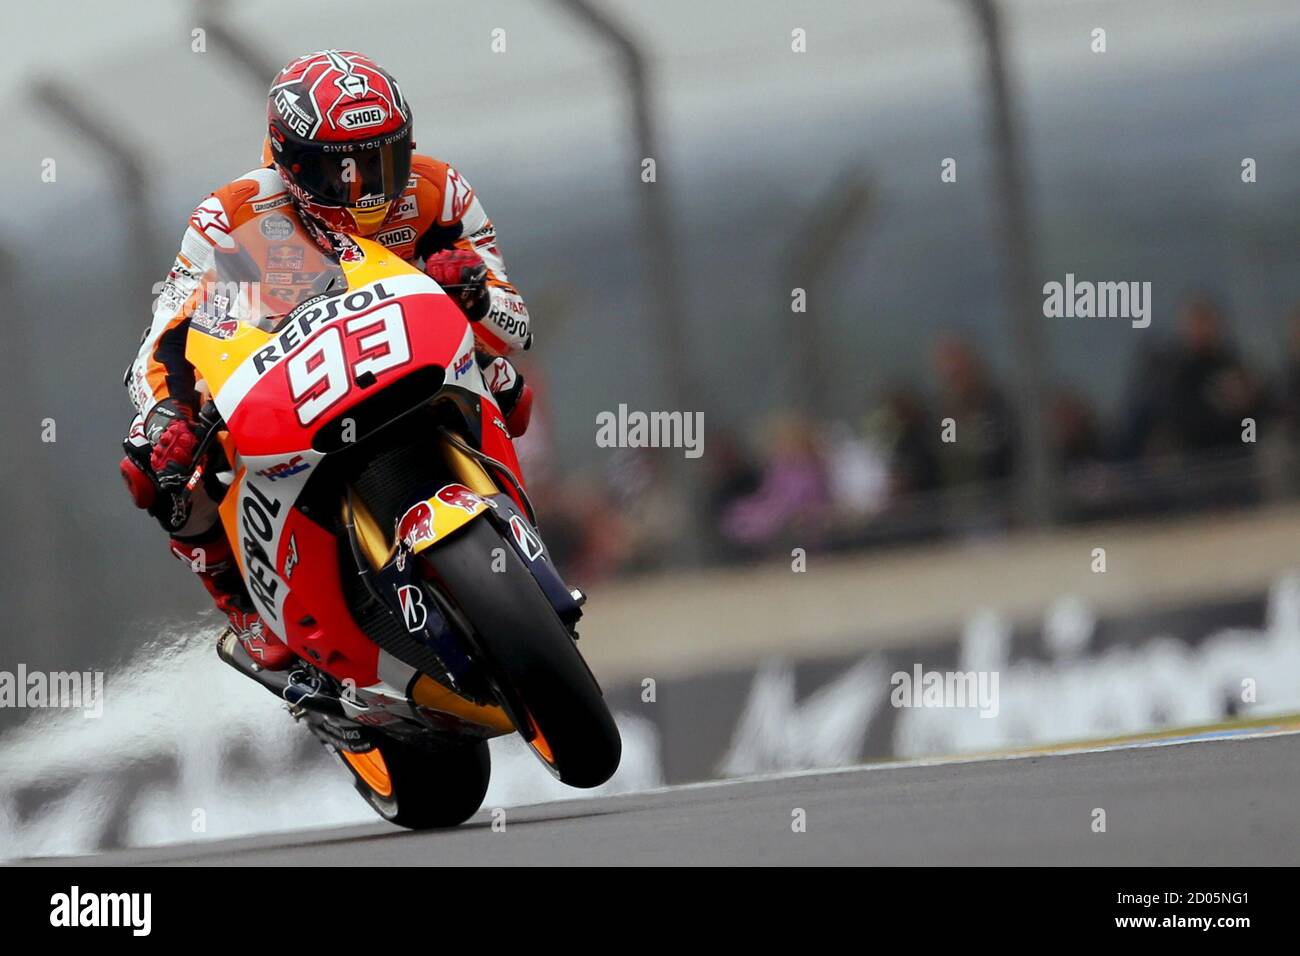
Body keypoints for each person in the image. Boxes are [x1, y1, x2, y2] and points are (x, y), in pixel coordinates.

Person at [120, 51, 534, 669]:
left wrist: (473, 292)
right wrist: (167, 415)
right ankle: (240, 602)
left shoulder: (437, 191)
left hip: (416, 357)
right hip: (291, 383)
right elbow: (166, 337)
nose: (362, 190)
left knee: (509, 389)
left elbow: (516, 325)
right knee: (152, 467)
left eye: (378, 161)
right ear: (286, 162)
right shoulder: (230, 216)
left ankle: (510, 524)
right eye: (336, 171)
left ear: (408, 143)